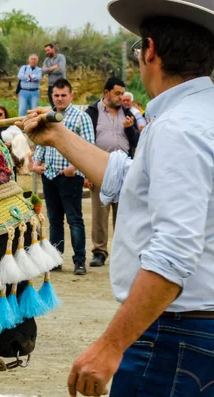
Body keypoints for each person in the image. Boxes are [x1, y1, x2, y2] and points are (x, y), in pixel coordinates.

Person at [21, 2, 214, 395]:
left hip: (176, 335)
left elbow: (174, 251)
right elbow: (131, 181)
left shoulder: (177, 128)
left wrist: (110, 345)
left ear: (151, 51)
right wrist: (58, 135)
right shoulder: (197, 116)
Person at [31, 78, 95, 275]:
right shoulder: (48, 117)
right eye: (56, 95)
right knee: (54, 219)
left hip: (69, 176)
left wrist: (73, 167)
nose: (59, 99)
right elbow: (42, 142)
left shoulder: (80, 117)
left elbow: (88, 146)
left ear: (71, 96)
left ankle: (79, 261)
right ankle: (56, 260)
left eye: (63, 95)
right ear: (52, 96)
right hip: (49, 174)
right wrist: (36, 163)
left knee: (74, 219)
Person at [85, 77, 139, 268]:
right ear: (106, 92)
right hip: (100, 166)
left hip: (124, 168)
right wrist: (87, 171)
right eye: (117, 93)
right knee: (100, 213)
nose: (120, 97)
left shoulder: (128, 113)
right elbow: (85, 142)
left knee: (123, 213)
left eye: (122, 93)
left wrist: (129, 128)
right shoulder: (92, 112)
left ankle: (122, 252)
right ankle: (99, 252)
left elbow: (135, 142)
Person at [41, 43, 67, 108]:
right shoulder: (46, 60)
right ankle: (55, 117)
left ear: (53, 49)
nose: (47, 52)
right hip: (51, 85)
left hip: (61, 84)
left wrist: (48, 71)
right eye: (46, 51)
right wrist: (52, 68)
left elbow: (61, 70)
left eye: (48, 50)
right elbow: (42, 71)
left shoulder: (61, 57)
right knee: (53, 105)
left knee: (61, 104)